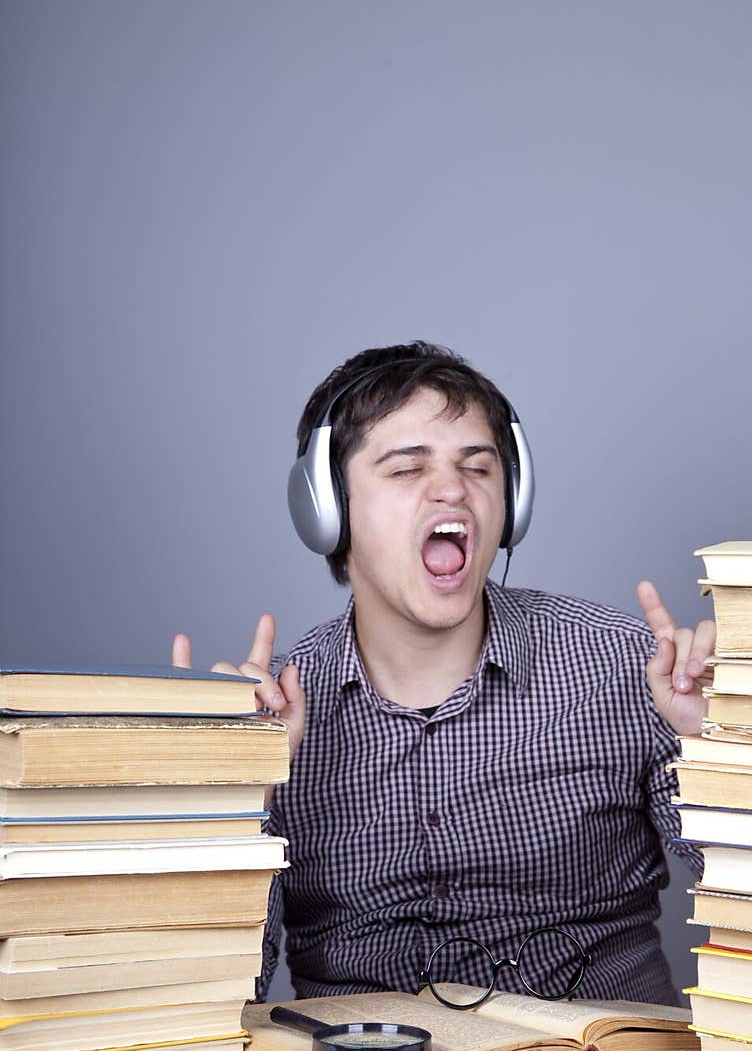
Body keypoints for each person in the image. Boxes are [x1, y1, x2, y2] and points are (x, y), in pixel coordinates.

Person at [172, 341, 714, 1005]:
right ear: (327, 510)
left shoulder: (629, 668)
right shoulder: (265, 716)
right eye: (406, 470)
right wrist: (222, 802)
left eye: (477, 467)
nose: (454, 489)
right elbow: (211, 1004)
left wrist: (725, 748)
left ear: (511, 504)